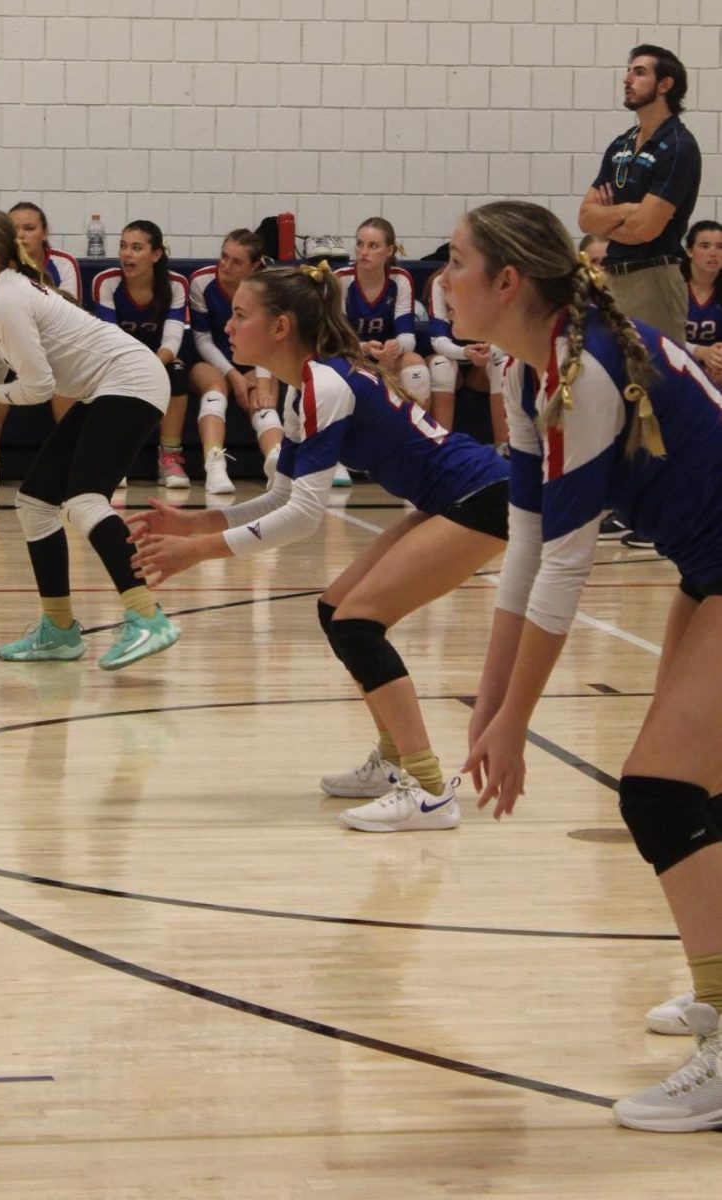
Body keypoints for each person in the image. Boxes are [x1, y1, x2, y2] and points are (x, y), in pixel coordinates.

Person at [444, 200, 722, 1133]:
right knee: (694, 786)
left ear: (508, 282)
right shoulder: (534, 374)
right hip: (709, 565)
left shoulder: (583, 370)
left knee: (660, 790)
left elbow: (568, 567)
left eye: (456, 262)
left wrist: (518, 725)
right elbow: (523, 548)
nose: (442, 278)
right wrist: (488, 712)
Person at [129, 262, 509, 833]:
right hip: (455, 496)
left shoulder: (325, 383)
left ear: (280, 327)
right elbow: (284, 495)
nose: (227, 328)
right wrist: (196, 524)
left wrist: (199, 553)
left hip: (482, 495)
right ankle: (393, 761)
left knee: (360, 622)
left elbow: (304, 519)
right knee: (337, 611)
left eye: (239, 315)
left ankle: (429, 789)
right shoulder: (302, 386)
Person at [0, 205, 180, 670]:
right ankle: (60, 630)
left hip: (132, 379)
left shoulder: (9, 300)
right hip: (103, 388)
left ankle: (148, 617)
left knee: (84, 499)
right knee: (34, 502)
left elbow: (39, 387)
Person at [579, 44, 701, 545]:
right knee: (615, 387)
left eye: (639, 72)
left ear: (666, 83)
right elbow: (586, 219)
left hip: (654, 275)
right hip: (613, 279)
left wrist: (616, 217)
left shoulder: (679, 144)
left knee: (656, 389)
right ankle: (630, 500)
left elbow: (651, 226)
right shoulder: (622, 143)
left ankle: (667, 507)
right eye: (628, 70)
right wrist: (615, 221)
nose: (627, 79)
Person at [0, 202, 82, 490]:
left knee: (65, 378)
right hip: (8, 346)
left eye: (29, 228)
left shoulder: (63, 263)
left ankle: (79, 459)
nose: (20, 235)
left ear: (45, 233)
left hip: (54, 344)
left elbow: (71, 308)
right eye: (13, 229)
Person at [92, 221, 191, 489]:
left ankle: (169, 456)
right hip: (117, 358)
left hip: (159, 359)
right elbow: (110, 338)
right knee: (109, 374)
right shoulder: (106, 282)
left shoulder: (176, 284)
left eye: (136, 248)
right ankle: (115, 457)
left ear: (156, 254)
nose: (126, 254)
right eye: (123, 246)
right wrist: (136, 365)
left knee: (177, 371)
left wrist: (152, 365)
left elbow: (173, 338)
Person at [334, 218, 432, 485]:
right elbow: (334, 337)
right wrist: (362, 348)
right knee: (337, 368)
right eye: (360, 244)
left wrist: (394, 347)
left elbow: (407, 336)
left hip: (386, 354)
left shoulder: (401, 279)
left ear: (389, 251)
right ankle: (337, 457)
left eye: (373, 245)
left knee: (415, 365)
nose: (363, 252)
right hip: (349, 352)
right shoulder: (340, 280)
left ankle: (418, 449)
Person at [189, 229, 284, 494]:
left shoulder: (266, 289)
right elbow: (203, 341)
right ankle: (214, 464)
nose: (226, 265)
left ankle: (277, 462)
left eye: (236, 261)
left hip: (256, 359)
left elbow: (269, 341)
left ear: (254, 266)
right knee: (216, 390)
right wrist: (234, 376)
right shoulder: (202, 282)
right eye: (224, 257)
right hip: (212, 361)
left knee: (261, 397)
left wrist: (263, 384)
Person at [425, 265, 508, 450]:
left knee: (503, 364)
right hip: (452, 358)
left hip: (481, 368)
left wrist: (490, 351)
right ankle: (441, 453)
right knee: (441, 366)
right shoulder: (441, 282)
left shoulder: (499, 280)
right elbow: (438, 340)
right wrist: (464, 352)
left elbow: (509, 335)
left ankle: (505, 451)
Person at [682, 219, 722, 386]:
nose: (713, 253)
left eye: (720, 247)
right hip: (677, 367)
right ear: (690, 251)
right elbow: (662, 336)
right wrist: (700, 351)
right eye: (705, 246)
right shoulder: (674, 288)